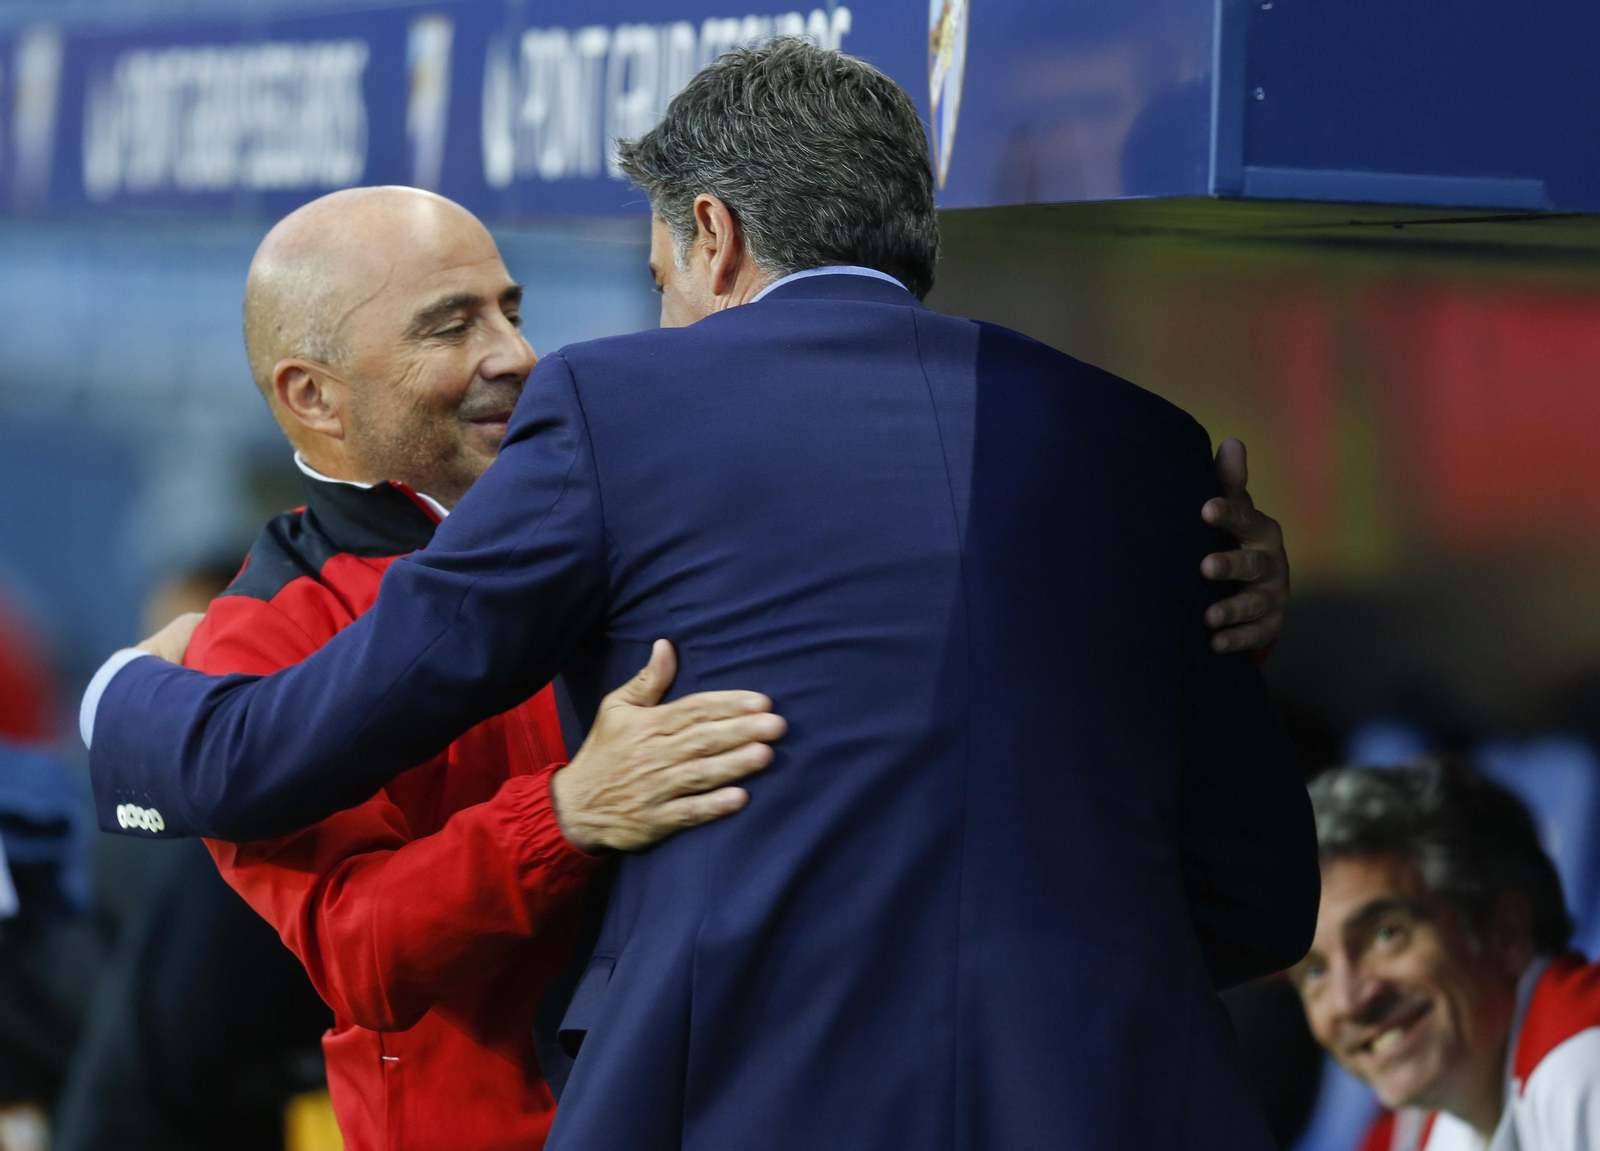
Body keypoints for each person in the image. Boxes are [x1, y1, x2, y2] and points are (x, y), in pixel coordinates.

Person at [83, 40, 1315, 1150]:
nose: (519, 353)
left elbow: (256, 757)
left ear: (714, 237)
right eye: (452, 322)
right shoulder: (1147, 445)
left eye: (654, 272)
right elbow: (1259, 896)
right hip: (1113, 1092)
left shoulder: (625, 421)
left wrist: (118, 698)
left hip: (749, 1095)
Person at [123, 186, 794, 1150]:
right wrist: (567, 815)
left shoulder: (623, 520)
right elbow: (360, 950)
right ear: (313, 395)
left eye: (510, 310)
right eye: (451, 326)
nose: (514, 355)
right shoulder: (264, 636)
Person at [1292, 761, 1600, 1151]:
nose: (1349, 1001)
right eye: (1316, 972)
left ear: (1507, 932)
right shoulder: (1409, 1131)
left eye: (1387, 935)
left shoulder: (1585, 1063)